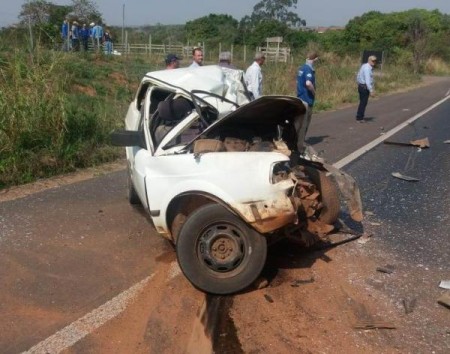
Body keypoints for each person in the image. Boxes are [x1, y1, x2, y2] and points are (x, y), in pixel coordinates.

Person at [296, 51, 319, 151]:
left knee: (298, 122)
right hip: (307, 99)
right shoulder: (308, 69)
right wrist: (314, 93)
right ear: (315, 59)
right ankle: (299, 145)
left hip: (300, 97)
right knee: (304, 123)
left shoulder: (301, 68)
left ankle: (295, 141)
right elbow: (308, 83)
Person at [356, 55, 377, 122]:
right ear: (369, 60)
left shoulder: (364, 66)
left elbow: (358, 76)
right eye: (372, 61)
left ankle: (360, 116)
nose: (374, 62)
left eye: (375, 61)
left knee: (362, 102)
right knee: (363, 103)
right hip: (364, 87)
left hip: (361, 86)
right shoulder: (367, 69)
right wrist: (371, 90)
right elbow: (368, 81)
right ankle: (359, 118)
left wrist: (359, 83)